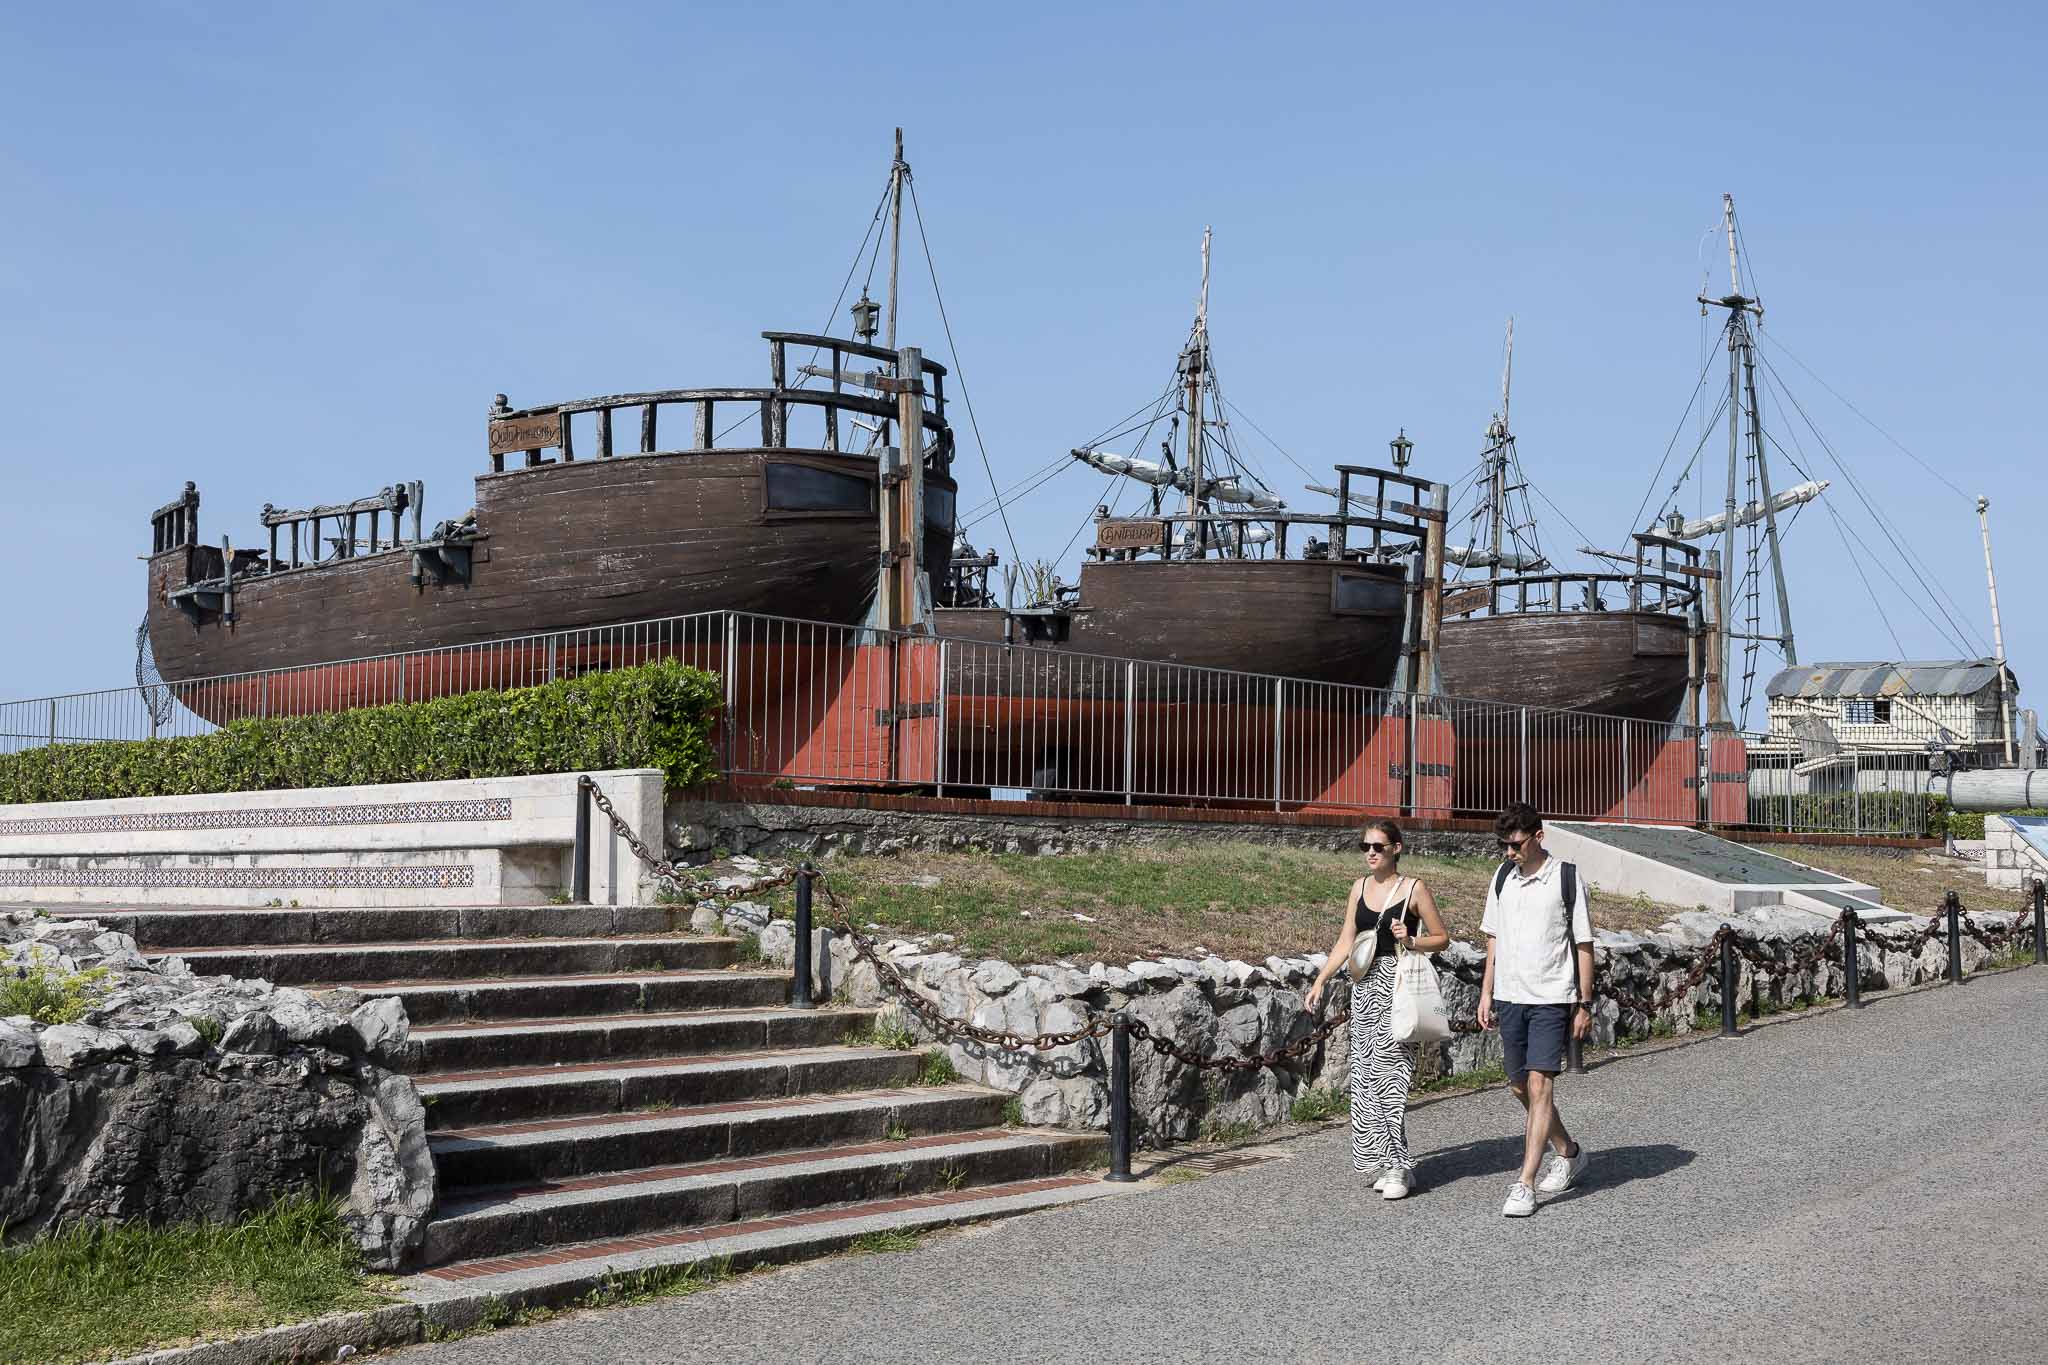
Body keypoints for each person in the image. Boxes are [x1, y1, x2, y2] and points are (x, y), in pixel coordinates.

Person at [1305, 818, 1450, 1200]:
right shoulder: (1359, 888)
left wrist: (1413, 940)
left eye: (1378, 847)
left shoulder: (1414, 890)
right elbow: (1345, 941)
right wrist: (1320, 980)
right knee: (1367, 1078)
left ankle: (1400, 1166)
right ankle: (1382, 1162)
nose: (1370, 853)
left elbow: (1443, 939)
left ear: (1396, 849)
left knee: (1392, 1074)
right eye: (1365, 847)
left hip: (1396, 983)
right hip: (1364, 987)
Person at [1477, 801, 1594, 1218]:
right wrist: (1486, 991)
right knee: (1518, 1087)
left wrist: (1583, 1003)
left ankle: (1525, 1182)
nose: (1509, 852)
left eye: (1515, 844)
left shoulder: (1565, 877)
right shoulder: (1503, 876)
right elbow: (1493, 937)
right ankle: (1568, 1151)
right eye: (1503, 845)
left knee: (1541, 1085)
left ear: (1538, 837)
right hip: (1510, 996)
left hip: (1551, 998)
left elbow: (1583, 944)